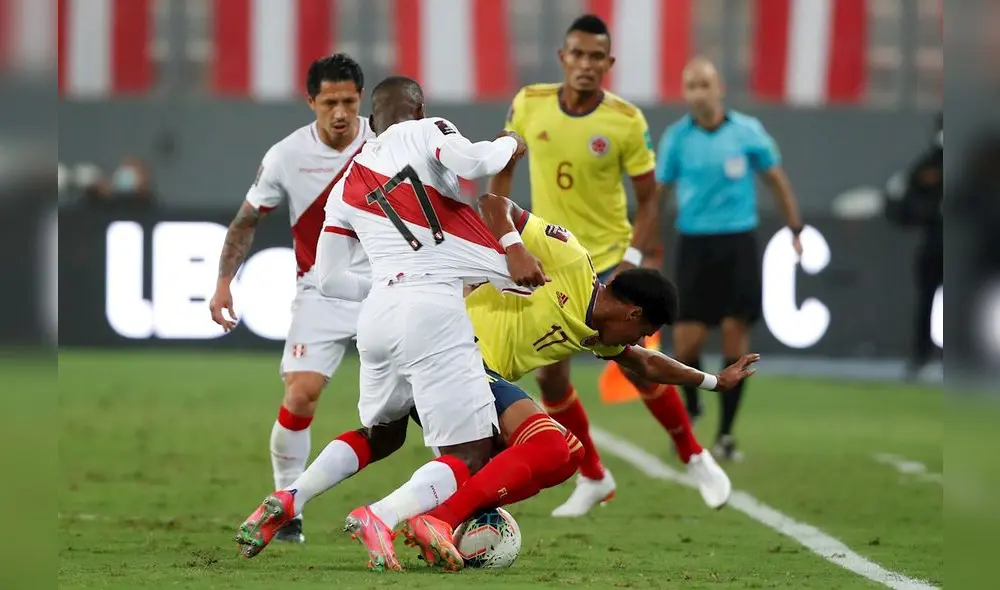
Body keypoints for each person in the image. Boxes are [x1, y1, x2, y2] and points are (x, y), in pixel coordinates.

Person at [233, 192, 757, 572]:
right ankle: (416, 517)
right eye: (642, 329)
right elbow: (493, 201)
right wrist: (512, 247)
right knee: (551, 448)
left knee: (385, 436)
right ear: (632, 309)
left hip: (411, 339)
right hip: (454, 351)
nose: (638, 341)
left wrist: (713, 381)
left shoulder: (601, 333)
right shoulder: (569, 257)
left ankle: (288, 500)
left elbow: (645, 364)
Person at [236, 76, 569, 572]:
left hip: (377, 315)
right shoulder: (427, 129)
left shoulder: (349, 179)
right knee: (473, 452)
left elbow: (328, 278)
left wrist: (387, 288)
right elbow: (478, 163)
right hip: (431, 312)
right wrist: (510, 143)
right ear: (418, 109)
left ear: (371, 121)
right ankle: (381, 516)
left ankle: (290, 498)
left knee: (384, 434)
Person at [489, 14, 679, 518]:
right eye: (578, 54)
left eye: (597, 57)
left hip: (611, 260)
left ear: (608, 64)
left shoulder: (625, 119)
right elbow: (503, 169)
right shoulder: (529, 103)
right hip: (553, 257)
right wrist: (502, 236)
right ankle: (594, 474)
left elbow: (649, 196)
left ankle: (691, 451)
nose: (586, 64)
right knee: (552, 378)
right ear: (563, 58)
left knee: (633, 363)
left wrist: (637, 257)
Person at [208, 54, 375, 544]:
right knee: (301, 394)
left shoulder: (384, 142)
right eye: (329, 103)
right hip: (320, 290)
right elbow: (246, 220)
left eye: (348, 101)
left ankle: (452, 500)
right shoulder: (285, 156)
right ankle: (287, 508)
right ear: (311, 102)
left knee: (419, 402)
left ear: (360, 98)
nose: (340, 112)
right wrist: (223, 281)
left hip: (386, 286)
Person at [656, 57, 804, 461]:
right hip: (695, 245)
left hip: (737, 243)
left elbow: (776, 179)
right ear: (685, 93)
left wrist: (794, 228)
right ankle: (693, 402)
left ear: (719, 87)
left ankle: (724, 434)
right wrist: (646, 240)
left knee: (736, 336)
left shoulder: (747, 132)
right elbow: (659, 192)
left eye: (704, 84)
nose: (698, 92)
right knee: (686, 342)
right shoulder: (676, 139)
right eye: (690, 86)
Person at [884, 113, 943, 378]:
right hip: (936, 244)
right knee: (927, 302)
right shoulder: (928, 164)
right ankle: (921, 356)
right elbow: (903, 206)